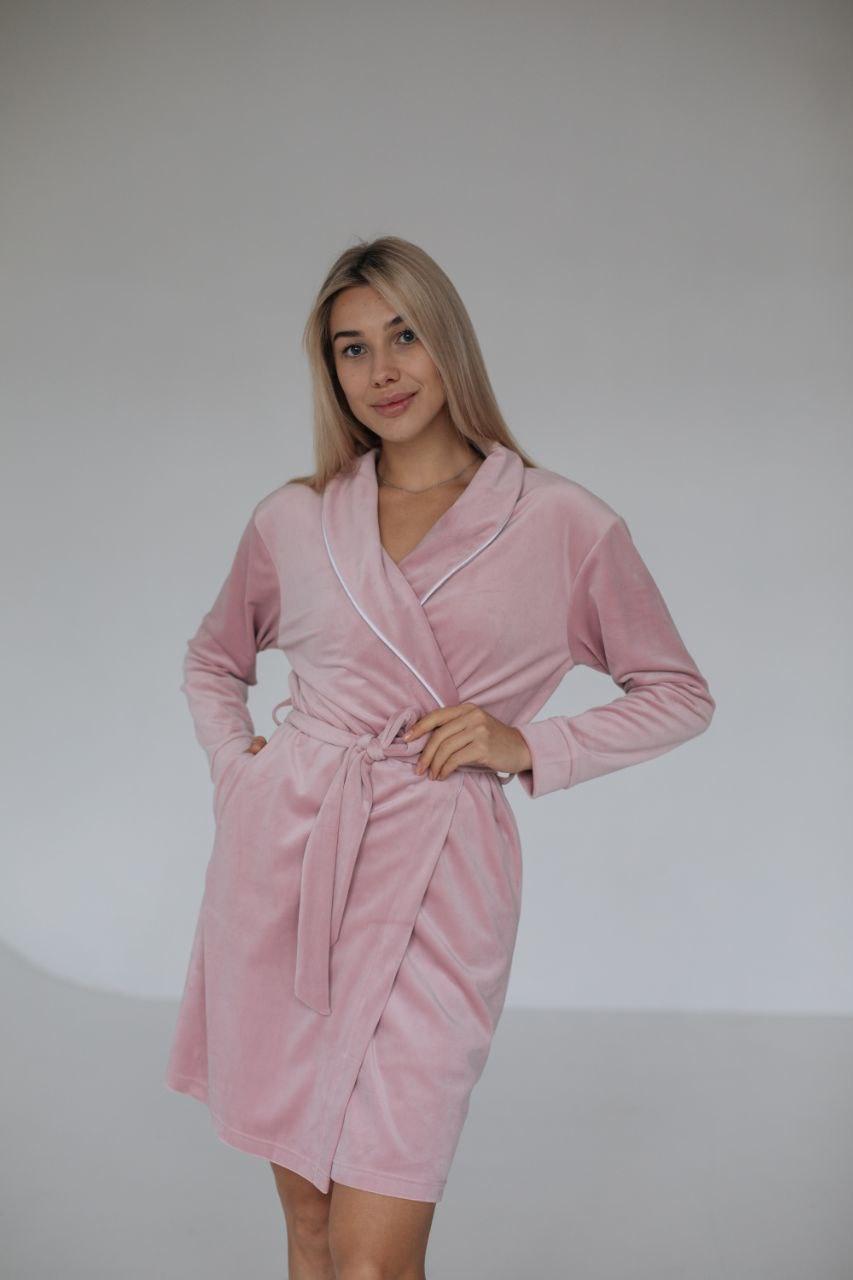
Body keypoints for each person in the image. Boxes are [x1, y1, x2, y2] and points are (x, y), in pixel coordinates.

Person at [164, 235, 715, 1278]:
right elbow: (212, 659)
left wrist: (527, 742)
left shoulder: (561, 521)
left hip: (439, 883)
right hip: (287, 866)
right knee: (312, 1230)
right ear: (329, 369)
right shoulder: (294, 519)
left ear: (448, 342)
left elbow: (677, 693)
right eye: (352, 347)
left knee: (374, 1256)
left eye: (405, 335)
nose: (382, 370)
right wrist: (239, 773)